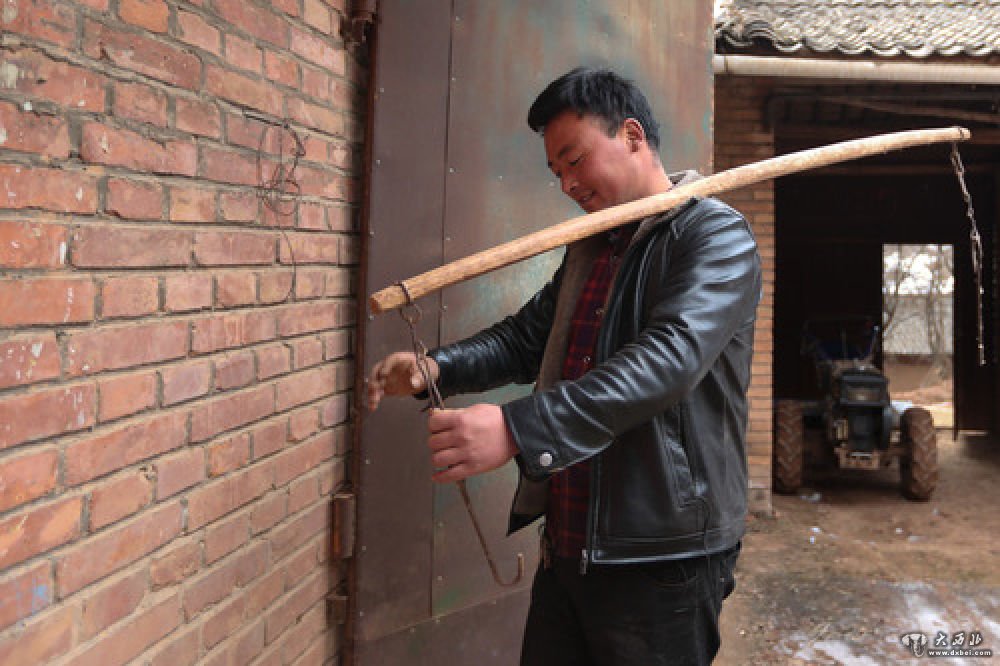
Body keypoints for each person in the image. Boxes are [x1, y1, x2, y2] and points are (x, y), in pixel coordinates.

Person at [367, 66, 762, 666]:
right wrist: (436, 368)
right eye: (556, 172)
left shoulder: (714, 236)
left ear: (631, 135)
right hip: (573, 542)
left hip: (661, 557)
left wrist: (515, 429)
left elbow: (667, 361)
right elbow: (527, 339)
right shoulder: (597, 245)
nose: (568, 184)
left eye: (575, 160)